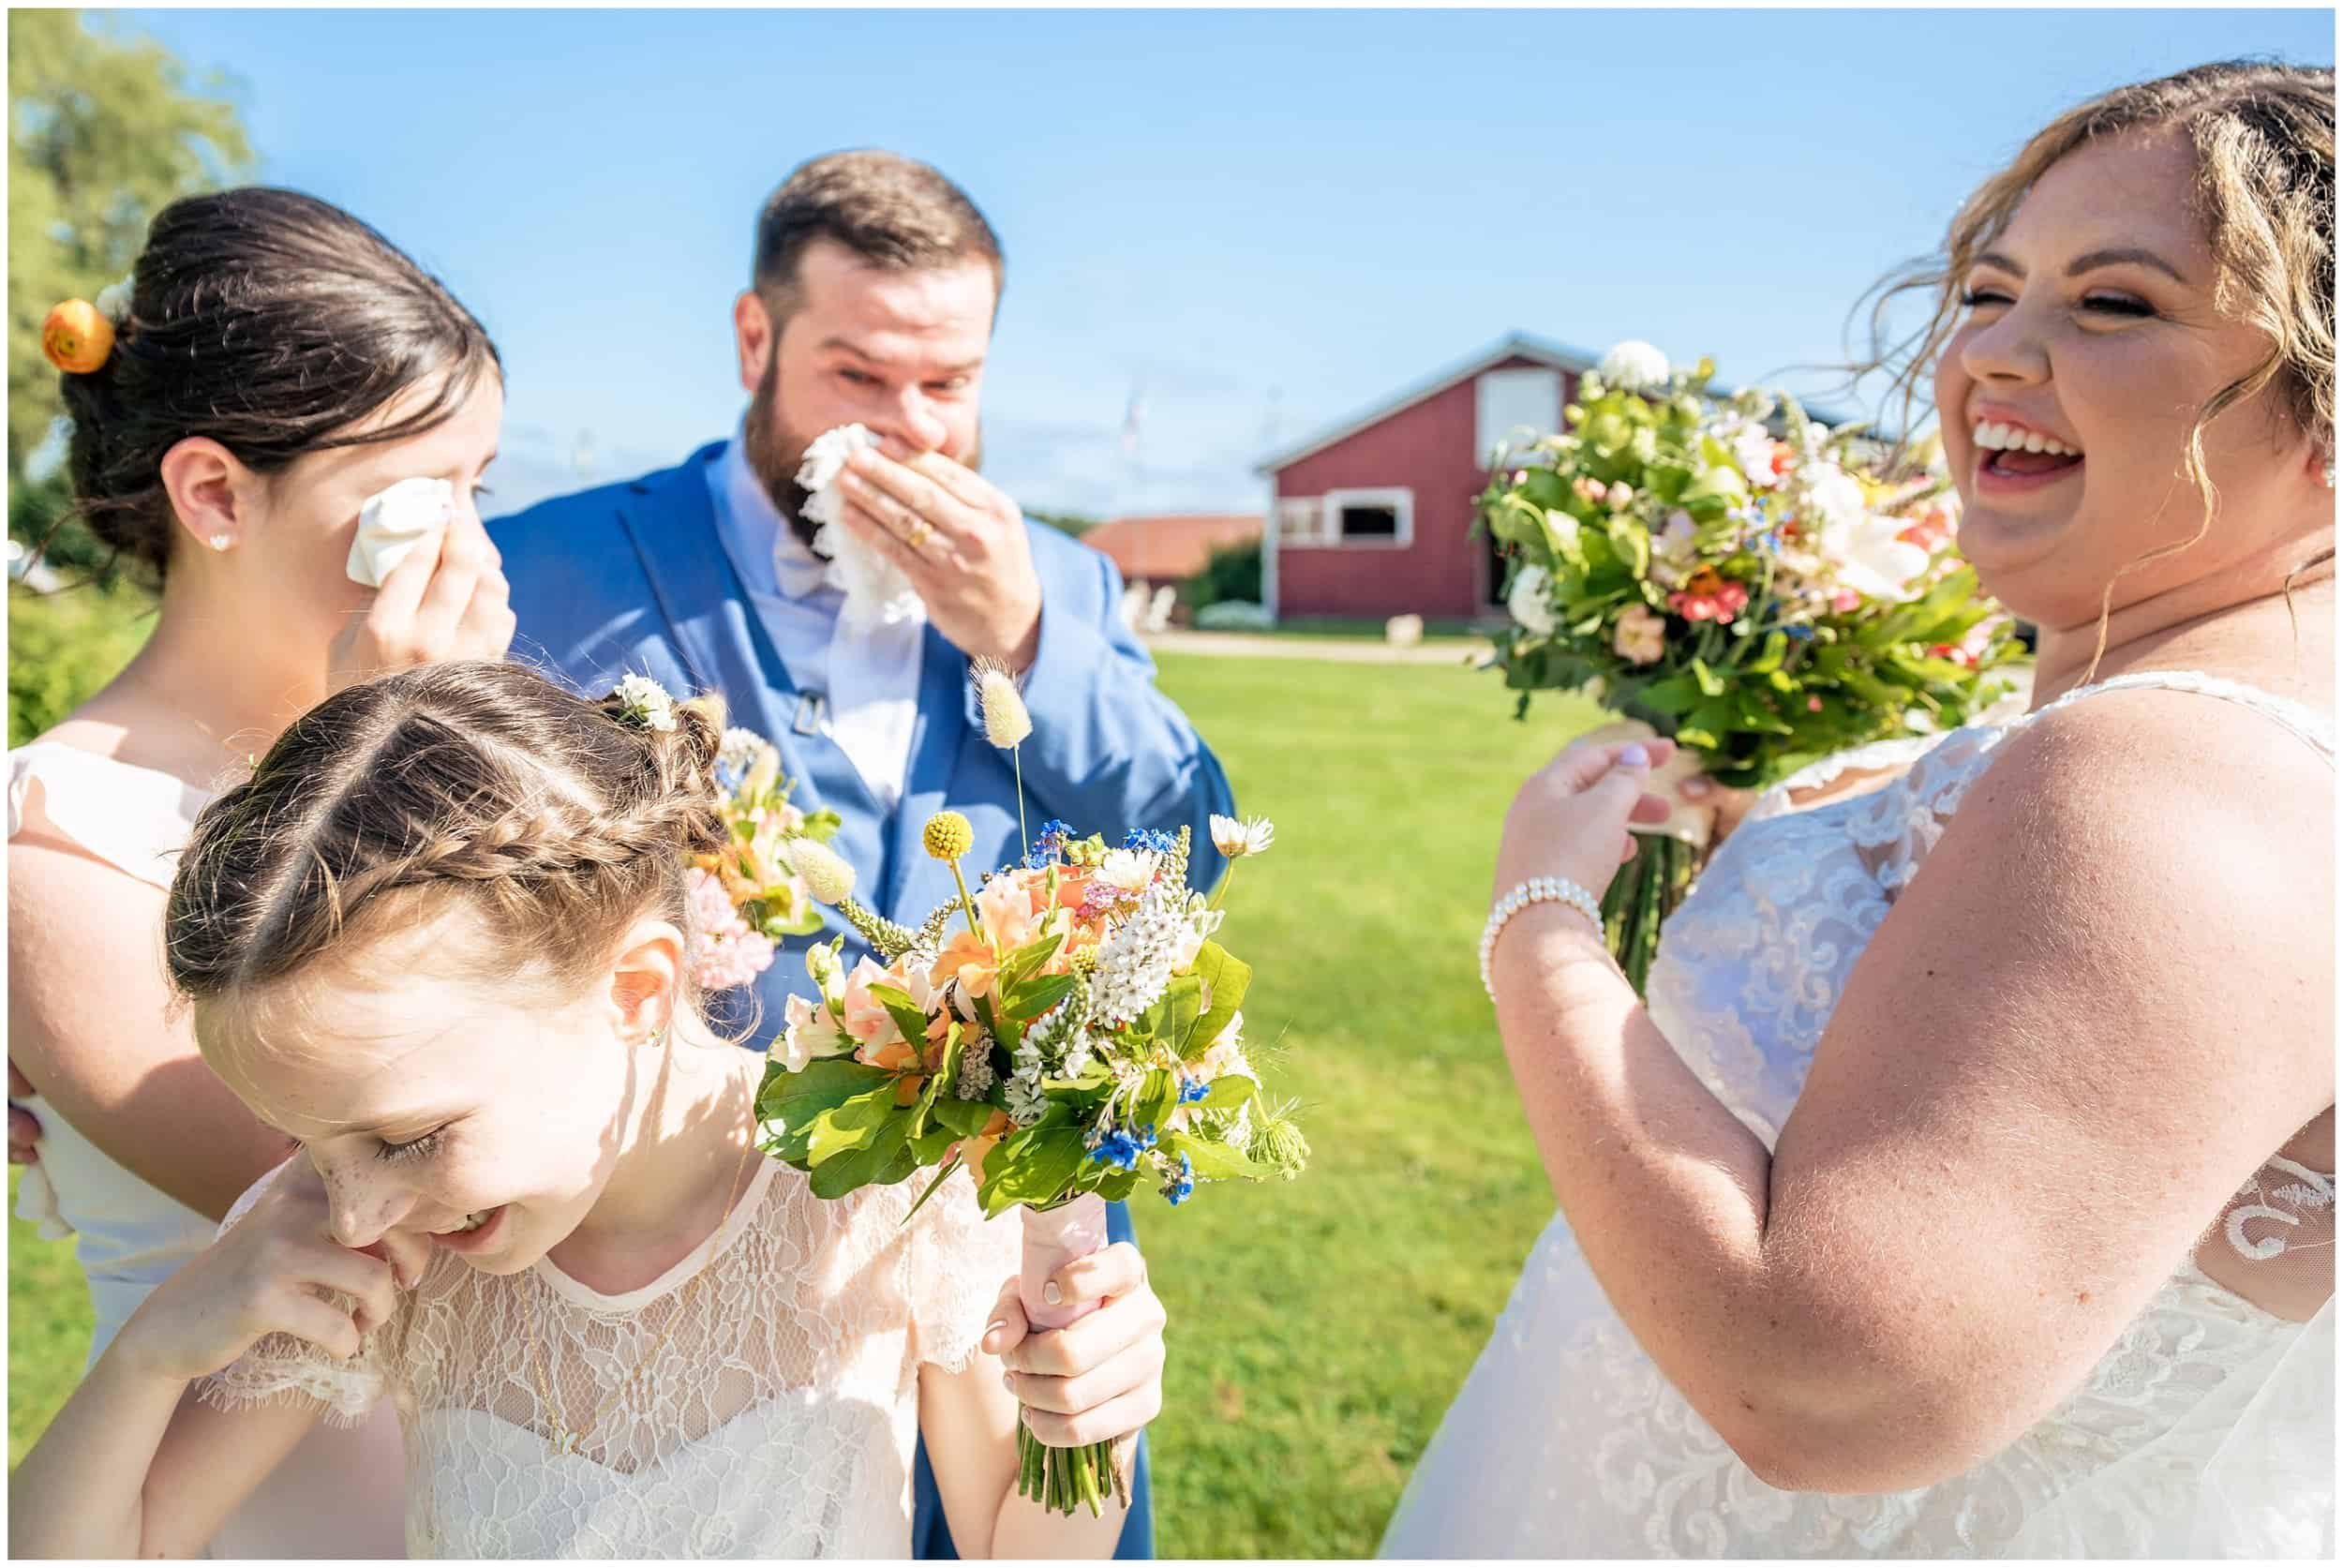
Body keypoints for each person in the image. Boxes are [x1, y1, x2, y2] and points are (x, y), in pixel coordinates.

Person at [1382, 59, 2335, 1557]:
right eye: (1987, 292)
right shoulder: (2212, 733)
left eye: (2116, 303)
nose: (1992, 361)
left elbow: (1822, 1389)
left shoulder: (2159, 781)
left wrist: (1541, 925)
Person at [490, 149, 1235, 1559]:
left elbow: (1190, 858)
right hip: (696, 1280)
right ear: (756, 340)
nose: (910, 429)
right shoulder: (553, 564)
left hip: (1013, 1264)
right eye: (860, 376)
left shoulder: (1063, 579)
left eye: (948, 386)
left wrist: (1028, 641)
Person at [7, 660, 1172, 1561]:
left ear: (635, 990)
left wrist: (1084, 1429)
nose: (354, 1209)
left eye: (405, 1137)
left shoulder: (883, 1186)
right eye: (312, 1143)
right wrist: (154, 1351)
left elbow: (1013, 1545)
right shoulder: (367, 1239)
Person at [7, 186, 517, 1557]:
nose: (470, 553)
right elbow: (415, 1176)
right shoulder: (64, 849)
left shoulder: (454, 722)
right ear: (216, 493)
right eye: (418, 504)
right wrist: (397, 767)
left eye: (483, 488)